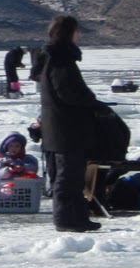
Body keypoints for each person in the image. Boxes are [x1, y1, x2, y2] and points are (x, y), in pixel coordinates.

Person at [35, 14, 128, 233]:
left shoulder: (55, 57)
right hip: (66, 129)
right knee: (68, 177)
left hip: (62, 128)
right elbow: (68, 92)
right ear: (69, 32)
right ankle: (67, 219)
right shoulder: (60, 59)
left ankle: (77, 217)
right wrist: (91, 102)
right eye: (77, 31)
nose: (80, 35)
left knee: (72, 177)